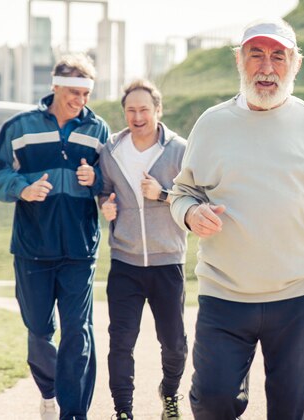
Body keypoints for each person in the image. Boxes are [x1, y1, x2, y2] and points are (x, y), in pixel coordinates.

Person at [169, 18, 304, 420]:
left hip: (298, 293)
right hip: (224, 292)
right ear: (240, 62)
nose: (267, 67)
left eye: (278, 56)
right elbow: (182, 193)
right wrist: (192, 213)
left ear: (295, 64)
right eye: (256, 55)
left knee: (292, 412)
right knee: (212, 400)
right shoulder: (211, 125)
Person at [0, 53, 110, 420]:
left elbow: (108, 181)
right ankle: (50, 390)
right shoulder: (20, 127)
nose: (80, 101)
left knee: (77, 331)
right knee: (39, 330)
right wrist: (22, 188)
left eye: (86, 94)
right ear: (54, 86)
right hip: (32, 248)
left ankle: (74, 413)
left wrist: (95, 181)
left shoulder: (97, 129)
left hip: (79, 248)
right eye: (73, 92)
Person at [98, 79, 188, 420]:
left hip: (168, 261)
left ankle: (170, 393)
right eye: (131, 110)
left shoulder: (180, 150)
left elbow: (199, 197)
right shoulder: (110, 152)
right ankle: (123, 411)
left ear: (158, 111)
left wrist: (162, 194)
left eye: (144, 110)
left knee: (175, 344)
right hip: (125, 262)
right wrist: (105, 205)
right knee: (121, 341)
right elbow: (104, 191)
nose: (137, 117)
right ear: (124, 112)